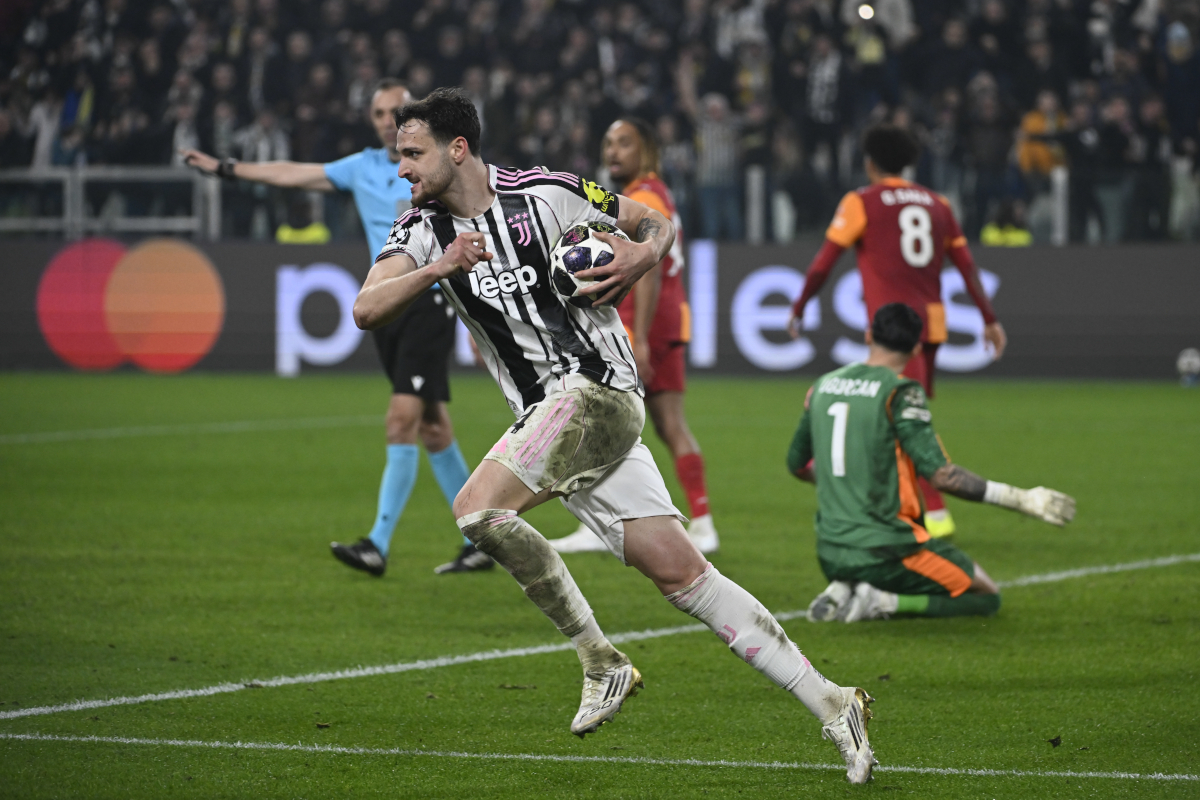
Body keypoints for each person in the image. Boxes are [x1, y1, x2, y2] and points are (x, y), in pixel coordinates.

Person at [354, 87, 879, 784]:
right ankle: (835, 702)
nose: (402, 169)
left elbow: (654, 221)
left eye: (413, 154)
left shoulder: (548, 192)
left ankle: (601, 660)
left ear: (458, 149)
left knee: (478, 510)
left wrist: (640, 257)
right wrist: (439, 269)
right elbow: (366, 307)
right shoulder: (420, 230)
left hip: (596, 392)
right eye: (400, 156)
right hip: (554, 421)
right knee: (685, 577)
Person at [181, 79, 488, 576]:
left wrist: (478, 315)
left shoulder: (435, 171)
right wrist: (225, 168)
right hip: (387, 307)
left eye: (396, 110)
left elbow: (474, 227)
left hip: (428, 303)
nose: (388, 120)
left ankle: (377, 544)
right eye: (379, 113)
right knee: (433, 427)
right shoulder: (361, 169)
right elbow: (292, 173)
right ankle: (481, 538)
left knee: (400, 421)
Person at [789, 304, 1075, 622]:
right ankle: (881, 601)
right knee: (986, 596)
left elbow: (796, 464)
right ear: (916, 349)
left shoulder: (822, 385)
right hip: (887, 550)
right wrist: (1020, 499)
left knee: (881, 557)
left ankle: (848, 585)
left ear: (868, 336)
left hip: (829, 550)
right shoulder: (900, 391)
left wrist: (847, 480)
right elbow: (942, 475)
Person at [788, 124, 1007, 539]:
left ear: (869, 162)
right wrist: (989, 318)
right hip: (930, 326)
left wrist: (800, 305)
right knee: (902, 414)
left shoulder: (861, 201)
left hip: (890, 326)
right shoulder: (939, 203)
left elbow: (823, 263)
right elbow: (966, 266)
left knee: (905, 418)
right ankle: (914, 507)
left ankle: (935, 515)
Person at [548, 118, 718, 555]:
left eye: (625, 143)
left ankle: (599, 524)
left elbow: (649, 269)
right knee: (668, 424)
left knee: (599, 416)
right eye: (608, 143)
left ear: (648, 150)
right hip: (668, 321)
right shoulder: (658, 193)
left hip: (644, 324)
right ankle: (702, 522)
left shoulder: (642, 199)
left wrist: (638, 338)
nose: (613, 152)